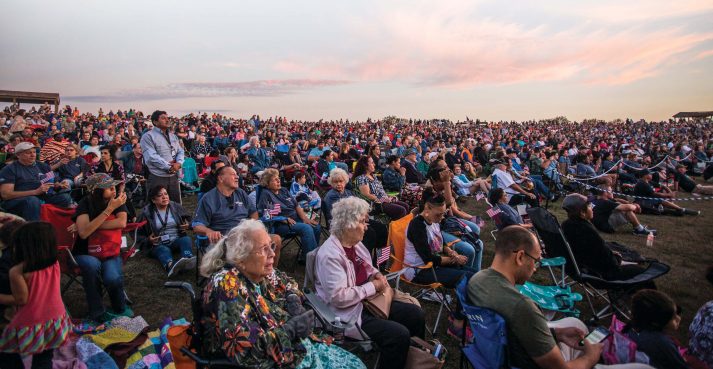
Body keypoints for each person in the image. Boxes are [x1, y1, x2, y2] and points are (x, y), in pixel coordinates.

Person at [469, 225, 655, 369]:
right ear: (519, 257)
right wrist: (590, 357)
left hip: (499, 353)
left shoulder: (477, 280)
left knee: (574, 325)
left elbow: (513, 329)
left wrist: (554, 333)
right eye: (536, 261)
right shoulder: (522, 306)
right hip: (524, 362)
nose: (535, 267)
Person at [199, 220, 365, 369]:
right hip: (269, 360)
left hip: (290, 349)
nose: (272, 254)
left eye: (271, 246)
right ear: (240, 258)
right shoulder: (227, 286)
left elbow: (287, 281)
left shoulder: (258, 270)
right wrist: (290, 330)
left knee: (355, 364)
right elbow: (245, 353)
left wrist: (293, 298)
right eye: (264, 249)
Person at [315, 197, 425, 369]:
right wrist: (373, 286)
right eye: (363, 221)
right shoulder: (330, 256)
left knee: (415, 314)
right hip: (347, 313)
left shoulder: (355, 244)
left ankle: (417, 360)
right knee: (398, 335)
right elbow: (338, 297)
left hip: (367, 302)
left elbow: (368, 266)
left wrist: (377, 274)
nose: (367, 225)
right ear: (348, 224)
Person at [405, 188, 477, 336]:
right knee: (466, 280)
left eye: (443, 213)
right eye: (439, 214)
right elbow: (428, 258)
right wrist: (454, 259)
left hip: (433, 266)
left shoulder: (433, 220)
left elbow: (441, 242)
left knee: (476, 275)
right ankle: (457, 324)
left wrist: (450, 252)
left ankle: (466, 314)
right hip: (420, 270)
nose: (442, 217)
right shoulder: (417, 225)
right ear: (427, 208)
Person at [0, 222, 71, 369]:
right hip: (55, 318)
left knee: (8, 353)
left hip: (30, 320)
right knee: (44, 358)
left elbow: (21, 299)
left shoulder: (17, 271)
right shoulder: (54, 263)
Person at [72, 173, 132, 321]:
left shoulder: (118, 201)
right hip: (84, 251)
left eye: (114, 187)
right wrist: (108, 211)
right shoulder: (85, 203)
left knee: (112, 278)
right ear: (97, 191)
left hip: (110, 251)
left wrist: (92, 224)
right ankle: (97, 312)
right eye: (109, 188)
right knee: (92, 266)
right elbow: (85, 234)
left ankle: (120, 308)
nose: (114, 190)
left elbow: (121, 223)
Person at [561, 194, 655, 287]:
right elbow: (609, 262)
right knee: (642, 273)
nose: (592, 208)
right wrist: (617, 258)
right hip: (600, 274)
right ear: (582, 212)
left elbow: (594, 250)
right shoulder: (587, 230)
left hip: (578, 267)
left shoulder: (566, 225)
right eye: (590, 206)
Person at [256, 169, 320, 261]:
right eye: (275, 180)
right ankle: (311, 261)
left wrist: (305, 219)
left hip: (296, 220)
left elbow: (296, 205)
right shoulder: (266, 194)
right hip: (280, 225)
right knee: (306, 228)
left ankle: (306, 256)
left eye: (278, 178)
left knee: (315, 226)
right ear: (267, 183)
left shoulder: (284, 190)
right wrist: (283, 219)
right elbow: (265, 214)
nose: (279, 181)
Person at [323, 168, 388, 257]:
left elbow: (358, 205)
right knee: (370, 233)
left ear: (345, 181)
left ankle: (380, 260)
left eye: (341, 181)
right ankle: (364, 261)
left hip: (356, 219)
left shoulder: (348, 192)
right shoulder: (331, 196)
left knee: (382, 229)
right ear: (331, 183)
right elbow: (341, 215)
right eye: (335, 182)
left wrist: (364, 213)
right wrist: (360, 218)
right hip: (342, 223)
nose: (338, 184)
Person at [0, 142, 73, 221]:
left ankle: (52, 224)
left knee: (65, 198)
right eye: (28, 153)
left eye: (34, 152)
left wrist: (59, 185)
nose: (33, 155)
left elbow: (52, 182)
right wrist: (35, 192)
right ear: (18, 155)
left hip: (43, 198)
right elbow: (6, 194)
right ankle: (34, 228)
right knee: (32, 201)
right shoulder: (10, 169)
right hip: (19, 200)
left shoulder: (42, 166)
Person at [138, 185, 196, 278]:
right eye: (160, 195)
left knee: (186, 239)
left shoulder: (175, 206)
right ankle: (170, 266)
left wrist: (189, 225)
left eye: (166, 194)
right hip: (158, 244)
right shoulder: (146, 212)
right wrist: (148, 240)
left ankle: (187, 259)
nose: (164, 197)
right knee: (163, 250)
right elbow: (137, 233)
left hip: (176, 240)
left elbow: (192, 219)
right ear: (153, 200)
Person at [624, 290, 689, 369]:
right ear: (656, 323)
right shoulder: (661, 342)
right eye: (673, 318)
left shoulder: (634, 326)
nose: (678, 318)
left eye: (676, 314)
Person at [140, 110, 185, 204]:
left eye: (167, 118)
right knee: (156, 204)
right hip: (158, 175)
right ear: (155, 122)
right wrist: (169, 167)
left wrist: (179, 163)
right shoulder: (148, 136)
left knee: (175, 204)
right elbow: (151, 156)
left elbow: (180, 151)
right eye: (163, 118)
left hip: (173, 175)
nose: (167, 120)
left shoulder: (173, 136)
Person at [354, 156, 409, 220]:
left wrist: (388, 196)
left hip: (384, 200)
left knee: (406, 206)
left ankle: (402, 228)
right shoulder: (362, 178)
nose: (374, 164)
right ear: (365, 165)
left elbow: (380, 191)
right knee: (401, 210)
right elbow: (367, 195)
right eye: (372, 163)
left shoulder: (373, 176)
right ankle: (394, 228)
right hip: (376, 204)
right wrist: (384, 199)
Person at [591, 184, 656, 236]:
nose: (612, 192)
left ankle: (637, 226)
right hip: (606, 227)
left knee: (620, 206)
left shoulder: (595, 199)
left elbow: (616, 201)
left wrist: (630, 204)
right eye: (611, 191)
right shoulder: (605, 202)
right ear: (605, 193)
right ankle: (639, 230)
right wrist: (636, 206)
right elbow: (629, 207)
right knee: (627, 210)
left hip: (598, 225)